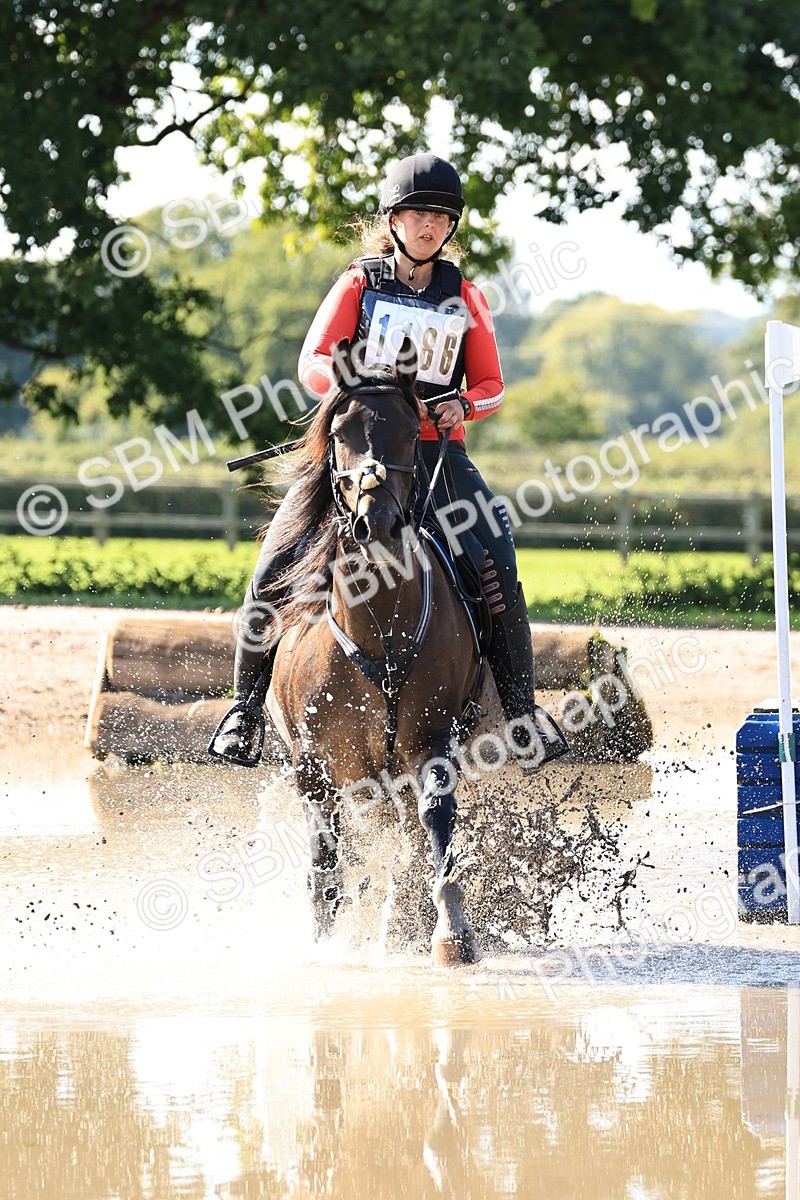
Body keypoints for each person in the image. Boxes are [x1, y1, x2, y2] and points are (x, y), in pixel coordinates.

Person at [209, 152, 568, 767]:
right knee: (275, 560)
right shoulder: (359, 281)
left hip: (433, 454)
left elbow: (493, 385)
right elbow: (312, 362)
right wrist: (355, 384)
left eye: (440, 216)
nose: (428, 225)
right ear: (395, 219)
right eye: (417, 213)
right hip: (356, 450)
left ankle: (522, 710)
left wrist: (464, 408)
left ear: (450, 227)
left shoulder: (466, 295)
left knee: (497, 560)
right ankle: (243, 710)